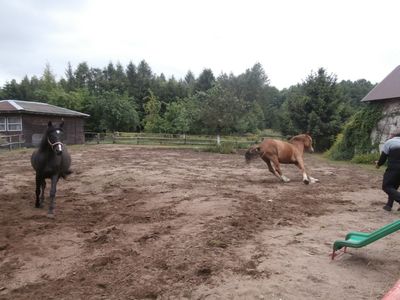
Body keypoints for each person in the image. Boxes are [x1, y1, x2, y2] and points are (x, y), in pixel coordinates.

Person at [375, 132, 400, 211]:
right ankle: (389, 205)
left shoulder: (390, 142)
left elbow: (383, 157)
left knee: (387, 186)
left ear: (393, 136)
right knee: (393, 186)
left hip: (394, 167)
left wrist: (378, 165)